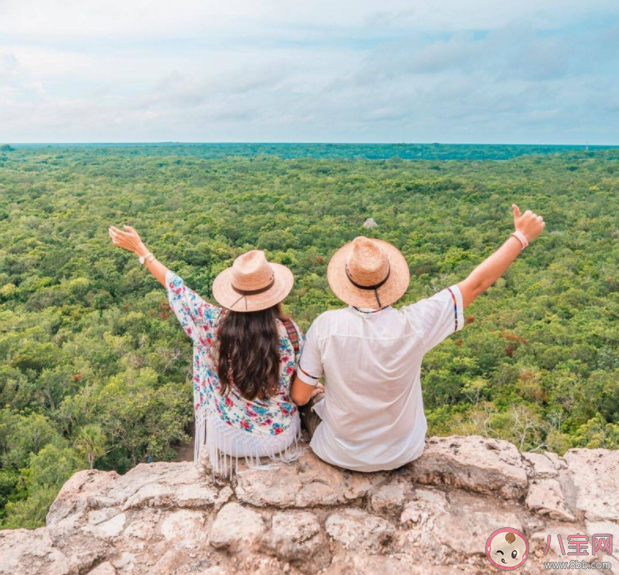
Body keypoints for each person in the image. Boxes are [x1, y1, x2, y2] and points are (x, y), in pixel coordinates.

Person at [291, 205, 545, 472]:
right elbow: (476, 283)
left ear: (347, 282)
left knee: (312, 402)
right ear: (391, 280)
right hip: (403, 451)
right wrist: (520, 237)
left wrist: (319, 391)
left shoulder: (326, 326)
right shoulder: (415, 324)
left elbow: (298, 396)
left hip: (337, 452)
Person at [109, 225, 310, 476]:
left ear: (234, 293)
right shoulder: (292, 333)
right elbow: (299, 389)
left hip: (229, 438)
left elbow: (177, 288)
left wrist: (142, 250)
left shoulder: (214, 324)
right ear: (274, 294)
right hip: (277, 439)